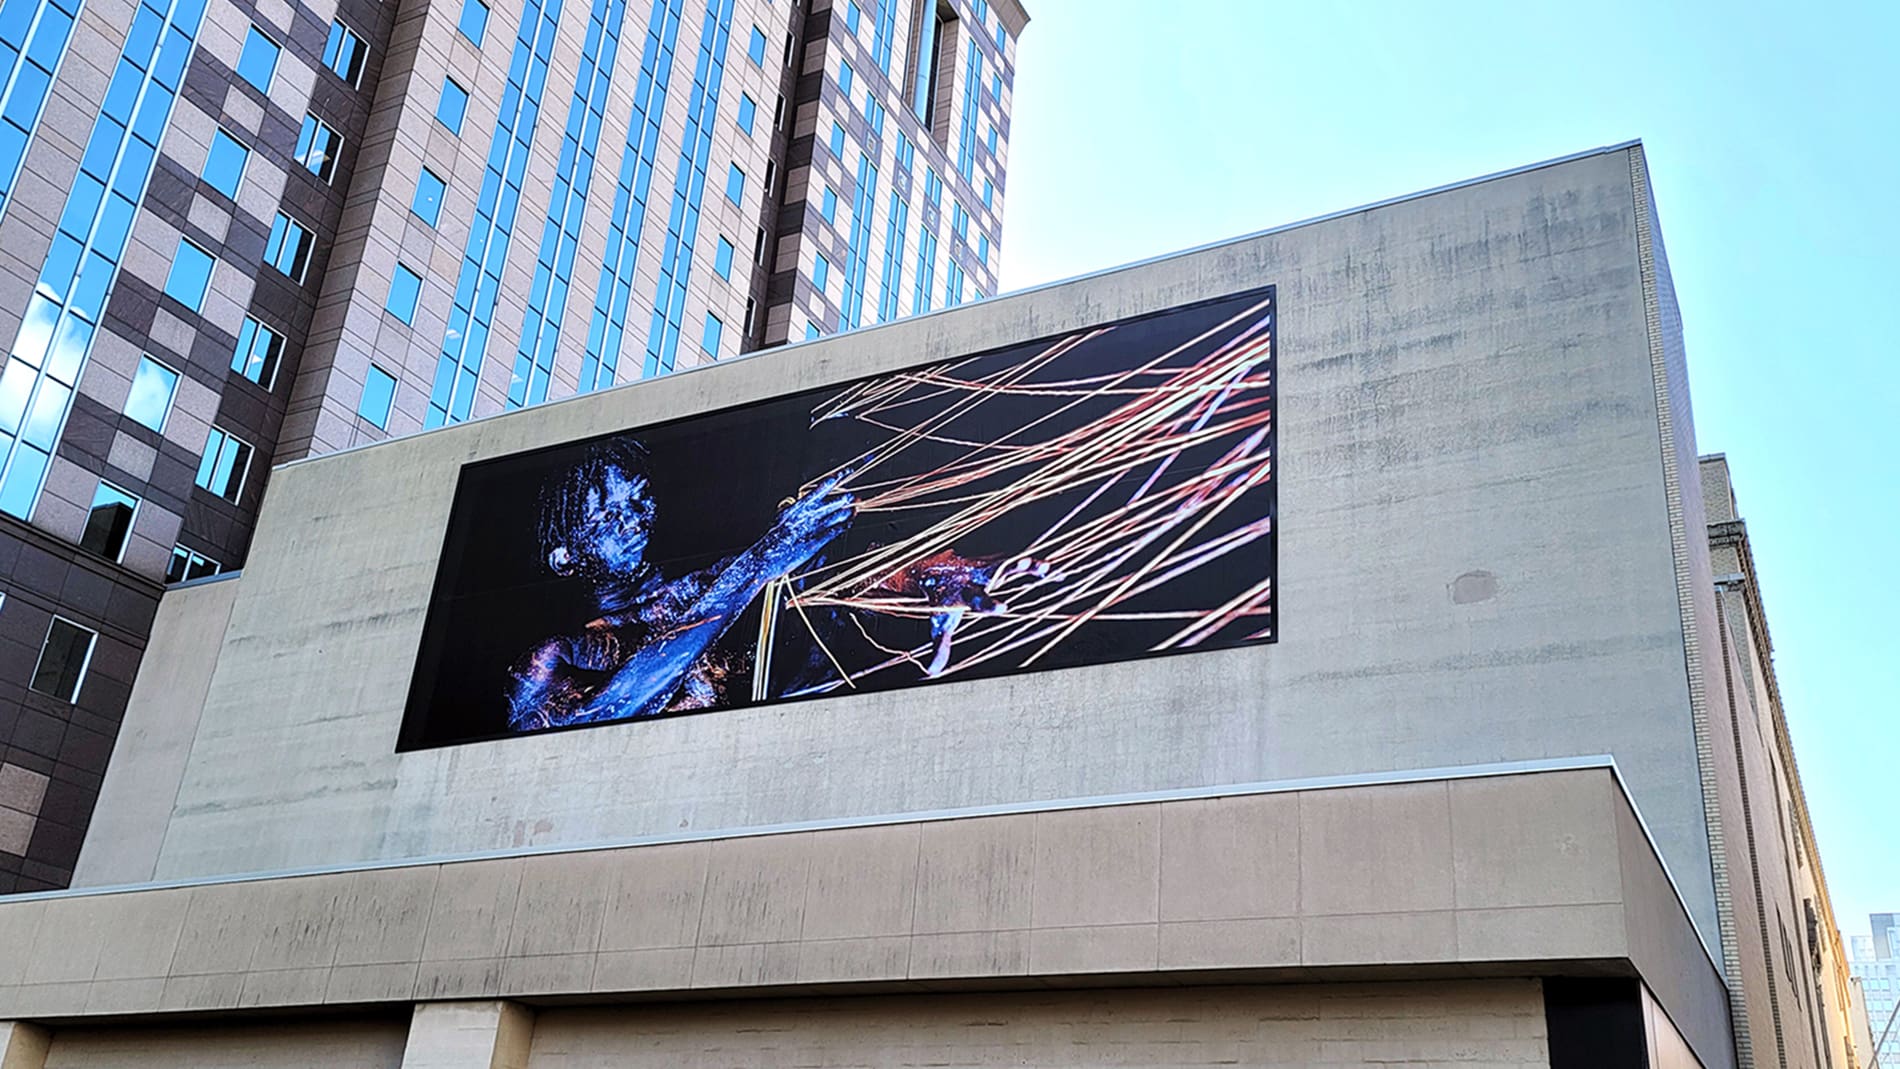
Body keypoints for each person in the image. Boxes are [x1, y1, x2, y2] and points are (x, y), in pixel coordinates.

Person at [506, 437, 855, 731]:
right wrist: (767, 556)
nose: (633, 522)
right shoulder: (556, 658)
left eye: (638, 498)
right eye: (608, 516)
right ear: (565, 557)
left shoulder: (705, 585)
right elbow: (608, 713)